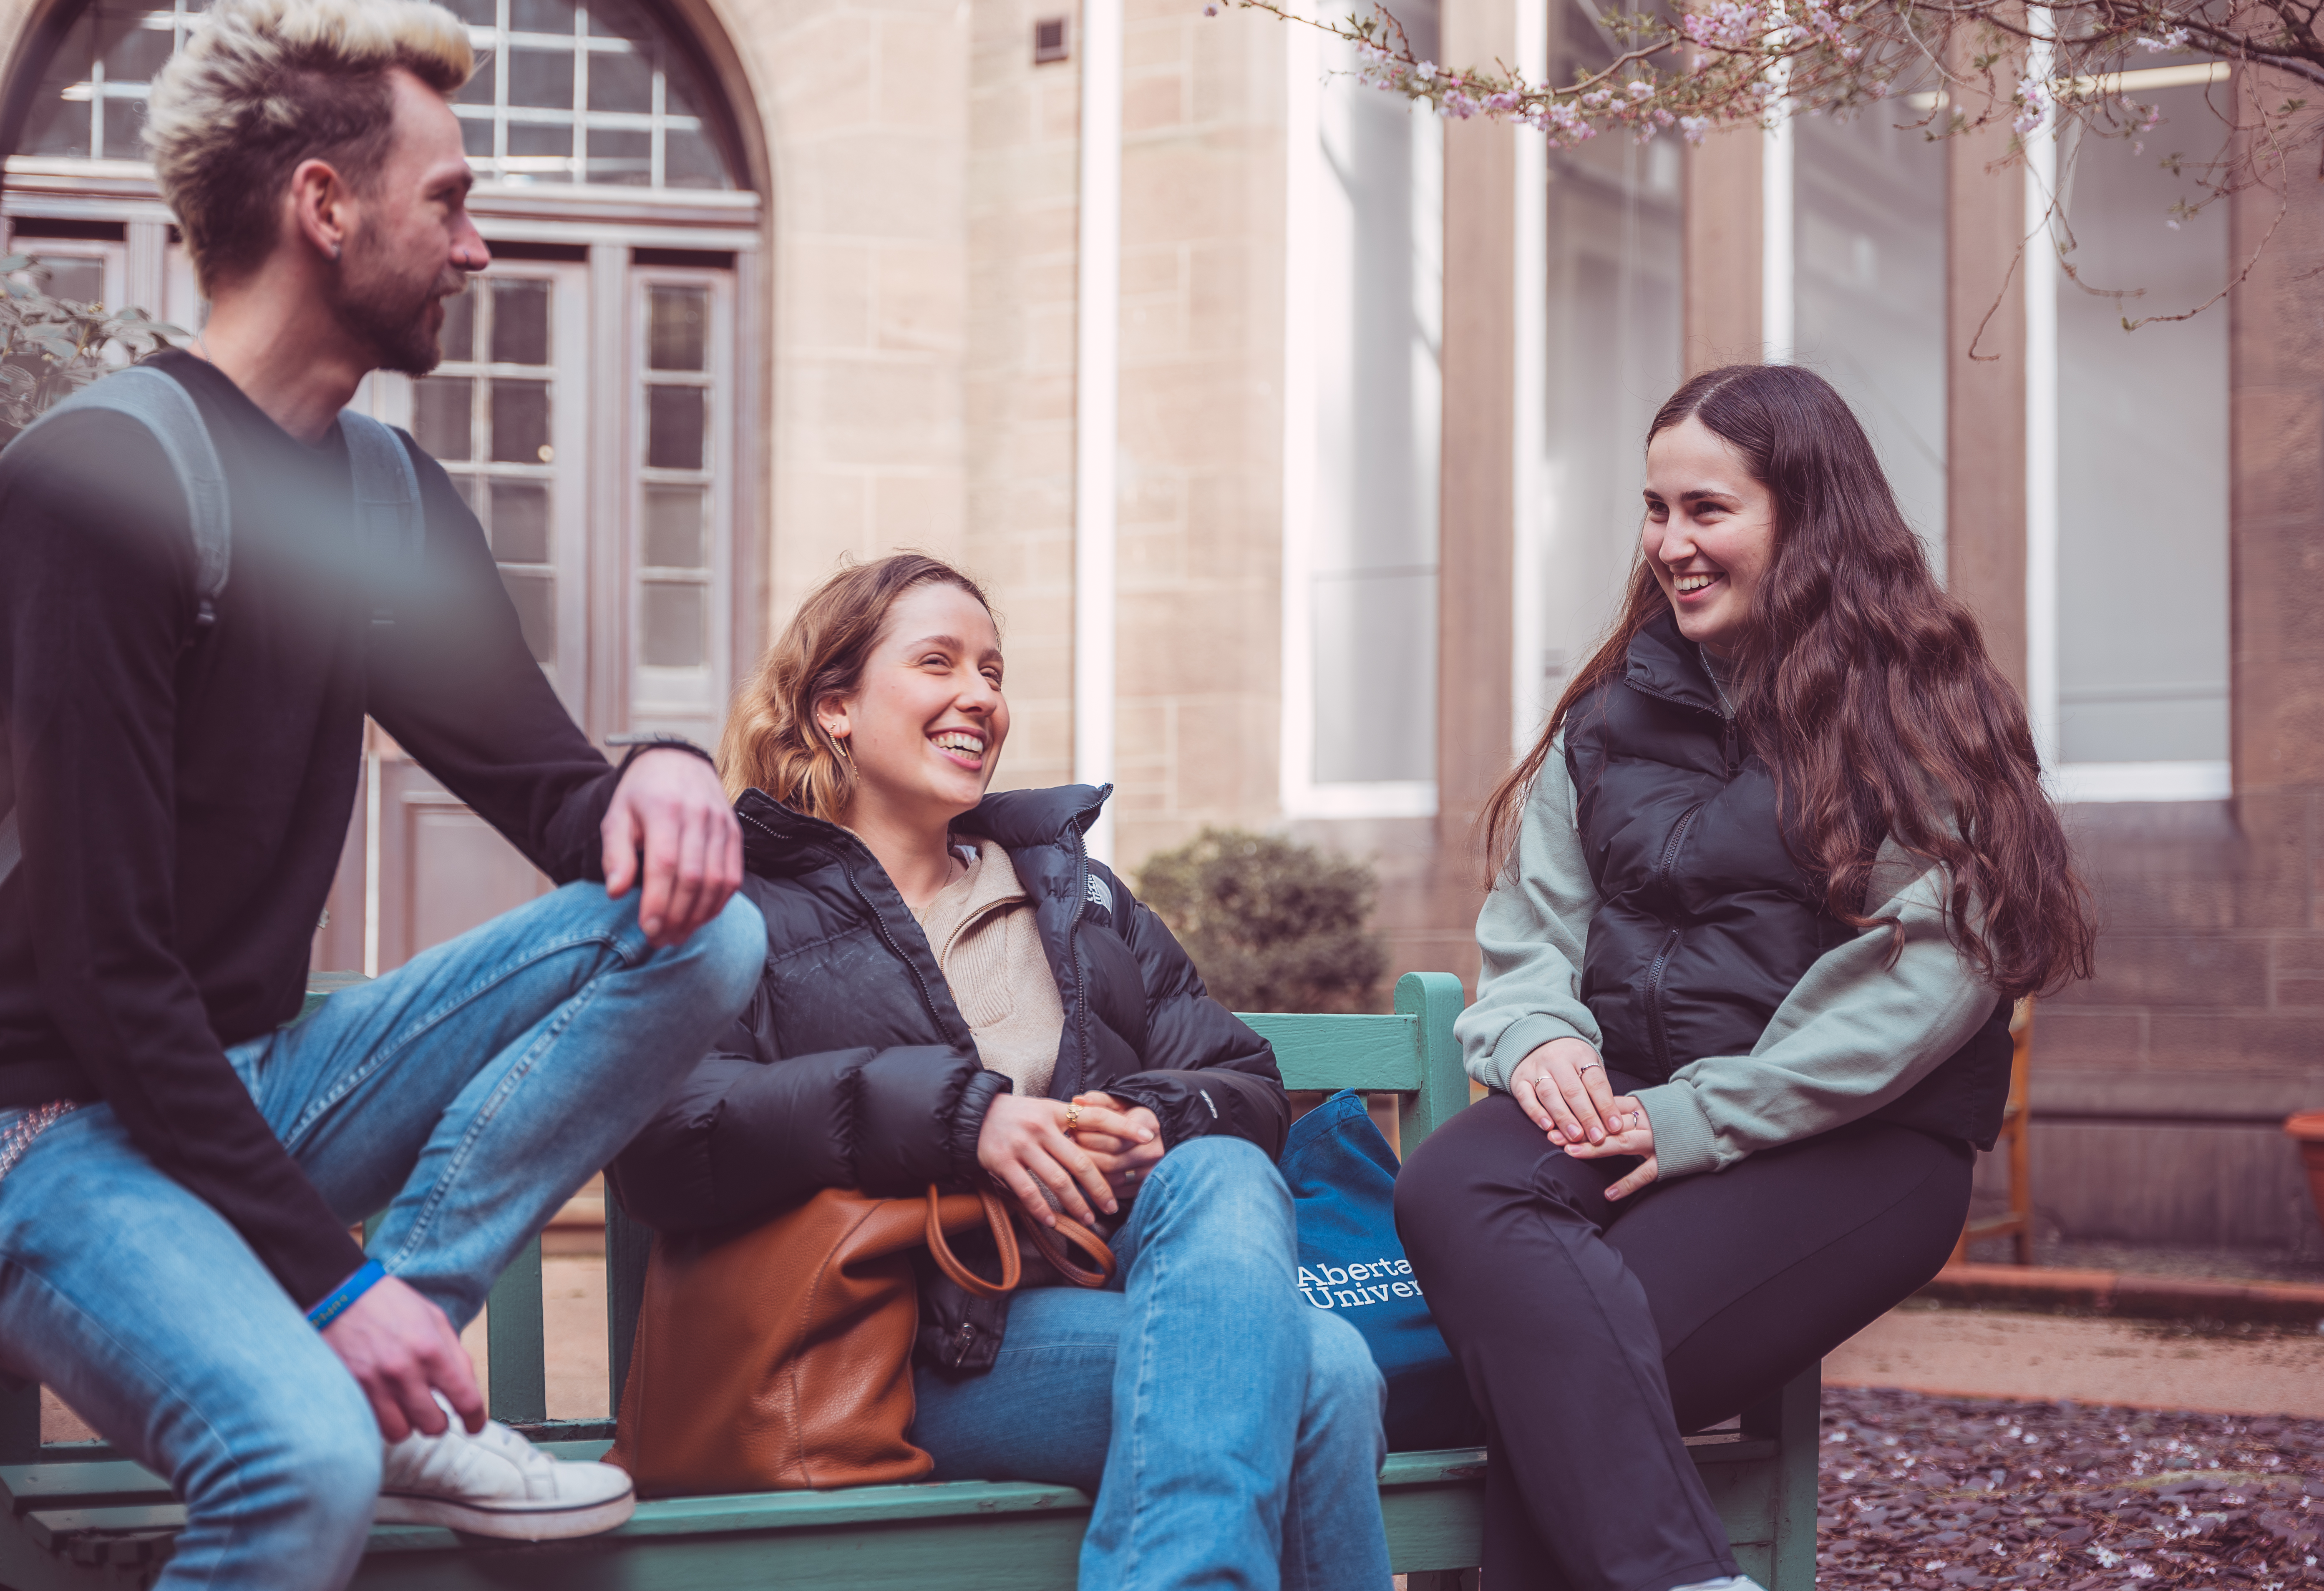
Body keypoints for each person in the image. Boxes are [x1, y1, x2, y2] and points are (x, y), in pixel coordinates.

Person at [0, 3, 765, 1584]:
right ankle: (371, 1370)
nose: (479, 248)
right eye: (452, 200)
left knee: (706, 932)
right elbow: (104, 964)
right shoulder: (97, 486)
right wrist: (329, 1288)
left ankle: (410, 1381)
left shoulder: (383, 493)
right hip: (51, 1126)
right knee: (296, 1463)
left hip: (259, 1079)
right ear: (325, 207)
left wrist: (669, 766)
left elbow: (558, 796)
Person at [1392, 364, 2096, 1591]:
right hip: (1623, 1099)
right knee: (1458, 1180)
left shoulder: (1922, 713)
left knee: (1558, 1370)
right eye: (1655, 510)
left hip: (1855, 1143)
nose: (1670, 543)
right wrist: (1538, 1036)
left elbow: (1927, 983)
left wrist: (1701, 1116)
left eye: (1707, 510)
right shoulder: (1604, 716)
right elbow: (1531, 927)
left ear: (1807, 515)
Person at [611, 553, 1395, 1591]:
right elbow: (666, 1135)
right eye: (938, 663)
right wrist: (957, 1117)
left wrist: (1145, 1116)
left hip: (1118, 1293)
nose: (980, 696)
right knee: (1323, 1372)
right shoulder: (738, 907)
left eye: (992, 670)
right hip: (896, 1347)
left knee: (1226, 1174)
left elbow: (1240, 1080)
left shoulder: (1078, 899)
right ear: (834, 707)